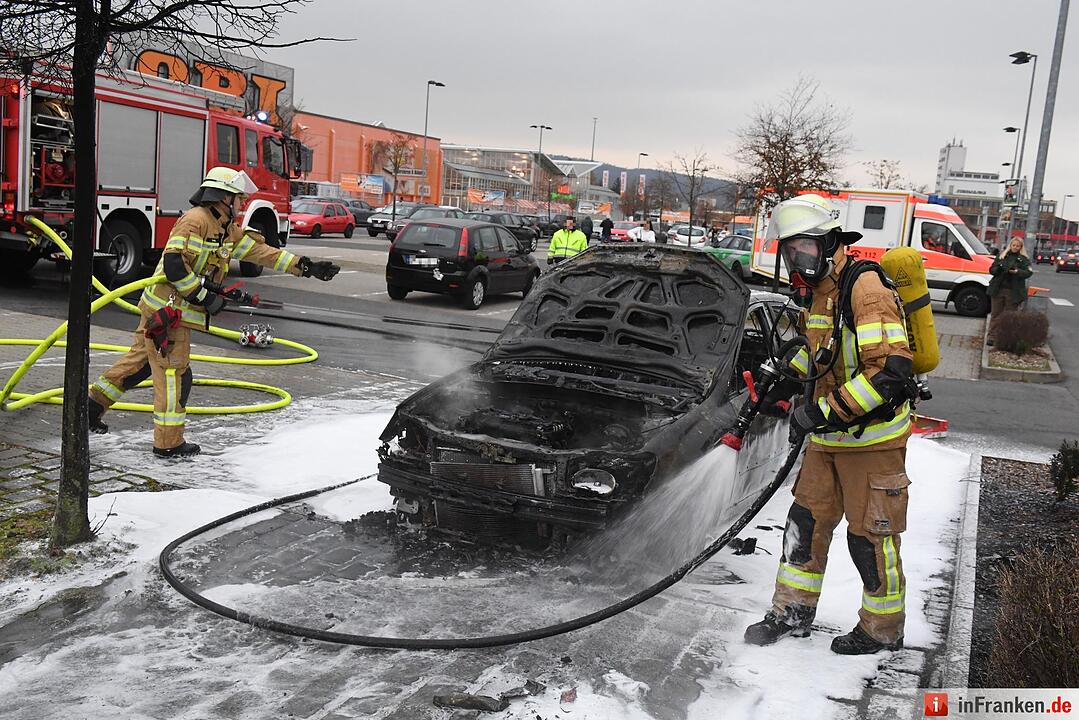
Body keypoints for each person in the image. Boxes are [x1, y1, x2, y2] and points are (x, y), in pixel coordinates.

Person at [744, 194, 915, 655]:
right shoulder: (821, 293)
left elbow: (890, 372)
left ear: (830, 242)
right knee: (805, 523)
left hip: (873, 442)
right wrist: (782, 375)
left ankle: (882, 629)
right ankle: (791, 612)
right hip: (828, 440)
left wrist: (821, 412)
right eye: (790, 252)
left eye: (804, 249)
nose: (798, 261)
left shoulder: (866, 289)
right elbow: (820, 356)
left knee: (870, 538)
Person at [86, 167, 340, 458]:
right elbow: (174, 267)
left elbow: (261, 252)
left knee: (137, 366)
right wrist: (206, 298)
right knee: (174, 377)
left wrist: (306, 267)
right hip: (168, 315)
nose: (242, 203)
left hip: (168, 312)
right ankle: (168, 444)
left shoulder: (225, 228)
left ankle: (90, 409)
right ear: (223, 198)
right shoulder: (194, 222)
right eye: (238, 198)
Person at [986, 237, 1033, 346]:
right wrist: (999, 268)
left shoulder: (1024, 259)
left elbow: (1028, 273)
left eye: (1018, 246)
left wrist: (1017, 271)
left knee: (1010, 316)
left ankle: (1006, 338)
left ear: (1021, 247)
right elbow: (992, 270)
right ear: (1010, 245)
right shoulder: (1002, 256)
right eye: (1014, 245)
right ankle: (992, 336)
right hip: (998, 290)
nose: (1015, 247)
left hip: (1013, 292)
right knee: (996, 314)